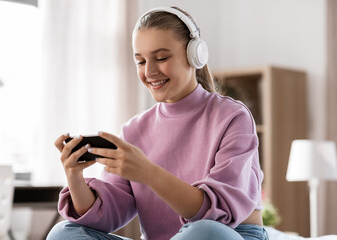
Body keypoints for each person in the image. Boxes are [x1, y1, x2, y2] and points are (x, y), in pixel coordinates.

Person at [47, 6, 269, 240]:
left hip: (227, 234)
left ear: (195, 55)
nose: (150, 71)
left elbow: (217, 215)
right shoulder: (134, 129)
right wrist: (74, 178)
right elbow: (107, 217)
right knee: (64, 233)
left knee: (202, 231)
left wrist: (147, 171)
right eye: (141, 62)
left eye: (161, 58)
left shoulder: (232, 116)